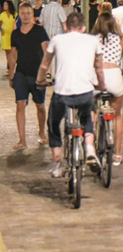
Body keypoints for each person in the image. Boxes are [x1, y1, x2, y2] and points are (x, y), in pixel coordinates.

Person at [36, 12, 104, 178]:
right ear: (84, 27)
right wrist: (101, 85)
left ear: (66, 26)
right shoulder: (93, 40)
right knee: (87, 117)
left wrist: (40, 81)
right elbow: (99, 68)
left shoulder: (57, 39)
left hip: (62, 93)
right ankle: (89, 149)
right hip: (85, 91)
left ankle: (58, 163)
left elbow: (45, 66)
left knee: (53, 123)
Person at [9, 3, 50, 151]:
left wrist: (46, 72)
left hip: (37, 74)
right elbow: (13, 55)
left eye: (28, 13)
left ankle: (42, 132)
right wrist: (11, 73)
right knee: (20, 105)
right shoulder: (15, 34)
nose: (25, 16)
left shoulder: (39, 31)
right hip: (21, 73)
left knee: (40, 106)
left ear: (32, 14)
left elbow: (47, 52)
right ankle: (22, 140)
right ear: (19, 15)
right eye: (23, 13)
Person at [92, 13, 123, 165]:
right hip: (115, 76)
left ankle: (89, 149)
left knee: (91, 110)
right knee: (117, 115)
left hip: (98, 77)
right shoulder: (120, 39)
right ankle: (117, 155)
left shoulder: (93, 40)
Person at [0, 0, 17, 72]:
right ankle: (9, 64)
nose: (4, 6)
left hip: (13, 34)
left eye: (6, 5)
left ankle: (11, 64)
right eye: (4, 5)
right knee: (7, 51)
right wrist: (1, 30)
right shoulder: (2, 15)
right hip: (5, 35)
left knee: (13, 51)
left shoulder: (15, 14)